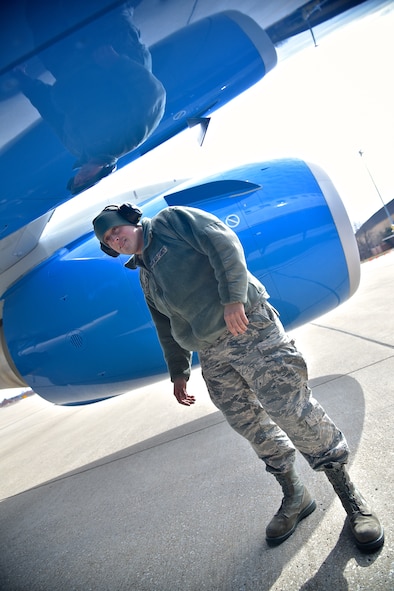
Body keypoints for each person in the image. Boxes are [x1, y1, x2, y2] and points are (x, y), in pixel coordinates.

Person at [93, 203, 384, 553]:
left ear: (129, 221)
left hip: (248, 325)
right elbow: (165, 326)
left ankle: (351, 500)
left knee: (292, 409)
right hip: (211, 351)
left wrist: (233, 300)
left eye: (115, 229)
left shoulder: (172, 222)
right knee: (248, 423)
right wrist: (178, 371)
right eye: (108, 239)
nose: (115, 239)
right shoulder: (144, 274)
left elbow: (223, 243)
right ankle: (296, 495)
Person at [16, 1, 166, 193]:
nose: (81, 177)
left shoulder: (76, 146)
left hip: (69, 66)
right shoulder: (128, 140)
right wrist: (117, 63)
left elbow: (51, 112)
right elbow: (152, 94)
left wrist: (26, 83)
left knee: (40, 16)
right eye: (87, 180)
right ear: (104, 171)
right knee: (102, 10)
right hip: (111, 52)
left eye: (78, 180)